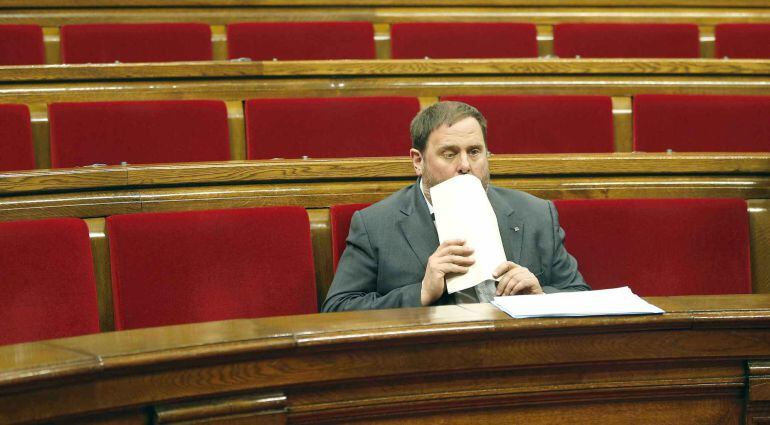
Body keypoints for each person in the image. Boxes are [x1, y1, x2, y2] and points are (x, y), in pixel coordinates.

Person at [322, 101, 589, 312]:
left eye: (474, 152)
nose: (465, 165)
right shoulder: (375, 224)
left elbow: (580, 295)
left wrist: (540, 296)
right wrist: (421, 292)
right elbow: (338, 309)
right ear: (418, 161)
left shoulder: (536, 214)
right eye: (449, 154)